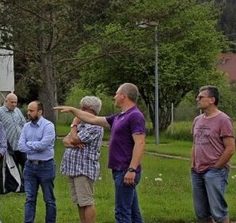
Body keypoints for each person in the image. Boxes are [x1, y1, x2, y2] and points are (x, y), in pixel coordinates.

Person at [55, 82, 146, 223]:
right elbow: (92, 118)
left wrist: (132, 169)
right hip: (119, 170)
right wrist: (73, 110)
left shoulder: (135, 116)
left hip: (126, 170)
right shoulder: (119, 117)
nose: (114, 97)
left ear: (123, 96)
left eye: (116, 94)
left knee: (122, 213)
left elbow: (140, 143)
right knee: (133, 212)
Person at [191, 86, 236, 223]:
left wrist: (216, 168)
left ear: (212, 100)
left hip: (215, 171)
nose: (197, 100)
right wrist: (193, 164)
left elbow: (230, 148)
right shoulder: (197, 120)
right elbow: (195, 143)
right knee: (201, 213)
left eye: (200, 97)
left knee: (218, 212)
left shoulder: (223, 120)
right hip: (197, 171)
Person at [60, 96, 105, 223]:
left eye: (83, 108)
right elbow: (65, 141)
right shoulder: (83, 124)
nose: (80, 111)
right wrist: (74, 141)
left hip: (84, 168)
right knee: (80, 202)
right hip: (74, 169)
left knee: (86, 201)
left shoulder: (95, 125)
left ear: (90, 110)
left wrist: (74, 124)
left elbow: (73, 139)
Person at [18, 100, 57, 223]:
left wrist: (29, 145)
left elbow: (43, 145)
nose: (28, 113)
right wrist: (34, 146)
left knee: (49, 199)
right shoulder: (26, 126)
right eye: (28, 110)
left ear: (40, 112)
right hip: (29, 167)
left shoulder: (48, 126)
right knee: (30, 198)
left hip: (46, 166)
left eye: (31, 110)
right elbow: (20, 146)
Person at [0, 93, 26, 194]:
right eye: (12, 102)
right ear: (6, 101)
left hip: (20, 145)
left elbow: (23, 124)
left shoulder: (18, 111)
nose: (14, 104)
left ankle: (23, 187)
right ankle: (5, 189)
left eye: (16, 102)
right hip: (7, 146)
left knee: (26, 165)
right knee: (7, 168)